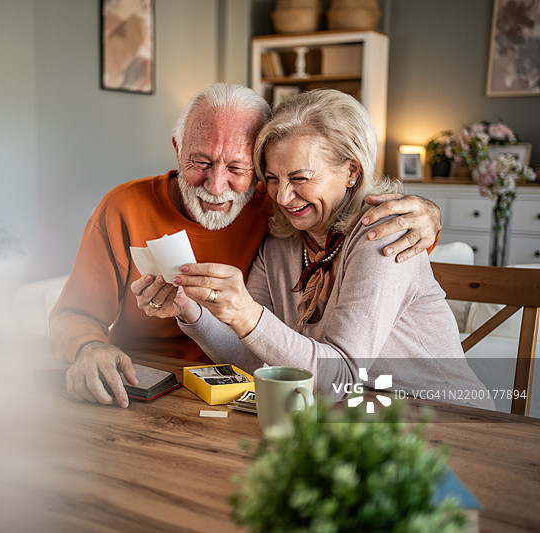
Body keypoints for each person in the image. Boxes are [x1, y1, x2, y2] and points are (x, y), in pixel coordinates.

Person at [51, 83, 442, 409]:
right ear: (176, 148)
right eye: (200, 161)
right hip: (164, 388)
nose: (217, 185)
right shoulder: (281, 230)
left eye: (237, 169)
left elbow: (334, 371)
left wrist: (431, 215)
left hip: (413, 413)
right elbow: (258, 352)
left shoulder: (297, 216)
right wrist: (184, 310)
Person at [133, 89, 492, 409]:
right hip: (355, 425)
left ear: (351, 171)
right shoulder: (282, 240)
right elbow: (261, 359)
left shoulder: (383, 233)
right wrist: (192, 310)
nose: (284, 197)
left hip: (444, 422)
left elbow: (340, 378)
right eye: (272, 179)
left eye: (301, 178)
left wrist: (247, 314)